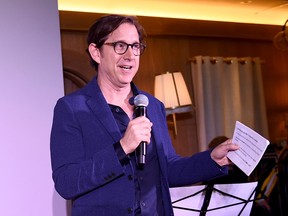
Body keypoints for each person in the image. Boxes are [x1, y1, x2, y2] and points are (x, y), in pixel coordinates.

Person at [50, 14, 239, 216]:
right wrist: (122, 148)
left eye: (136, 46)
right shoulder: (71, 108)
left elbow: (169, 168)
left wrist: (212, 159)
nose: (130, 55)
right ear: (96, 52)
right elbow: (66, 182)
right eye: (120, 46)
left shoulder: (153, 105)